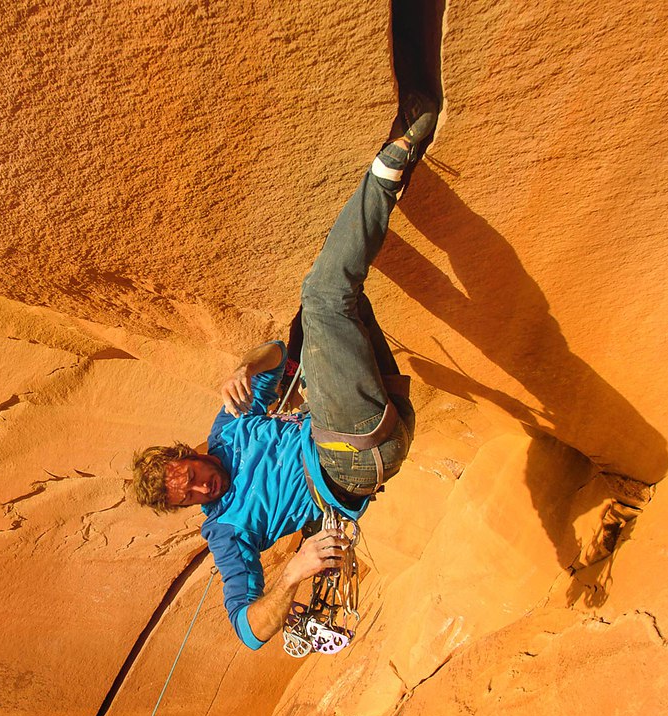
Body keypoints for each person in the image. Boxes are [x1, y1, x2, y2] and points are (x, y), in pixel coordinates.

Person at [129, 68, 438, 650]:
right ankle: (398, 154)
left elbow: (282, 358)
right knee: (323, 295)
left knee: (318, 315)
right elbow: (247, 631)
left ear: (186, 455)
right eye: (187, 496)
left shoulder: (228, 425)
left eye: (190, 477)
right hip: (347, 457)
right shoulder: (226, 534)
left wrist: (245, 367)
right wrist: (292, 575)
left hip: (379, 419)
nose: (201, 488)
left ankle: (373, 206)